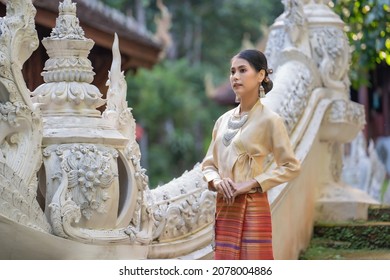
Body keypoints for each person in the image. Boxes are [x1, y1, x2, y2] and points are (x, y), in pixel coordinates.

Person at [201, 49, 301, 260]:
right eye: (232, 71)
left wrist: (251, 183)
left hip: (252, 207)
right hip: (225, 206)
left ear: (261, 76)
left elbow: (291, 166)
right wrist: (217, 182)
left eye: (242, 70)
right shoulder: (222, 120)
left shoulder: (270, 120)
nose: (235, 76)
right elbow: (209, 164)